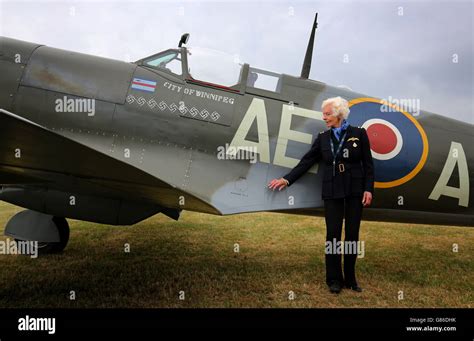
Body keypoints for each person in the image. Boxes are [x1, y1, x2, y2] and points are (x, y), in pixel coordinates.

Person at [268, 96, 374, 294]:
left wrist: (368, 188)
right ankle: (334, 279)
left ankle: (350, 279)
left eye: (327, 114)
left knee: (352, 235)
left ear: (339, 114)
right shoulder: (323, 138)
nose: (324, 117)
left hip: (355, 190)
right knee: (333, 235)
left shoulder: (359, 134)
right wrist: (287, 179)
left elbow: (368, 165)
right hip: (332, 189)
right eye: (323, 114)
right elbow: (306, 161)